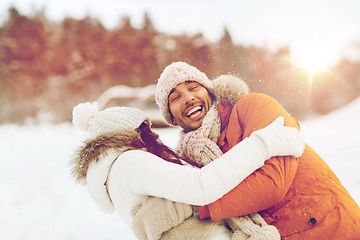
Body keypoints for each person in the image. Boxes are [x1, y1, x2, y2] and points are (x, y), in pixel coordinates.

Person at [155, 61, 360, 239]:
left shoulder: (252, 106)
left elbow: (272, 184)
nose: (188, 98)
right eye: (175, 98)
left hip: (332, 228)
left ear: (209, 91)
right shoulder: (189, 161)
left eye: (193, 88)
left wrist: (198, 207)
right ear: (171, 117)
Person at [70, 102, 304, 240]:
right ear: (125, 135)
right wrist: (263, 144)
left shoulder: (113, 174)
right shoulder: (129, 163)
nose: (155, 135)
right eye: (144, 129)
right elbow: (202, 186)